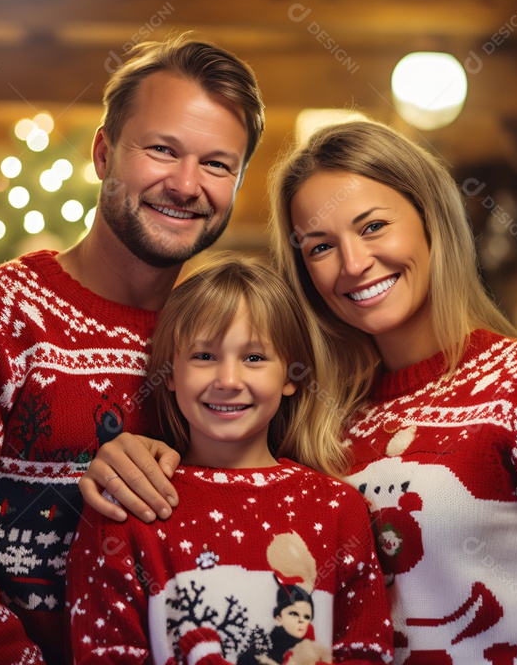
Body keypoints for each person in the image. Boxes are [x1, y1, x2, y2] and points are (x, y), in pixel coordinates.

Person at [82, 119, 517, 665]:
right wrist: (145, 452)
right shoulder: (314, 410)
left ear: (431, 220)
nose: (353, 264)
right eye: (320, 247)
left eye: (373, 227)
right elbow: (231, 491)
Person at [0, 34, 264, 665]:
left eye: (218, 164)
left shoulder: (234, 351)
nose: (187, 184)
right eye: (162, 150)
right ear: (105, 154)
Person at [66, 255, 393, 665]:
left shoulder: (339, 509)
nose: (228, 381)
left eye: (254, 358)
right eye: (204, 356)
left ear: (291, 376)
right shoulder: (129, 505)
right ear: (169, 372)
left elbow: (365, 651)